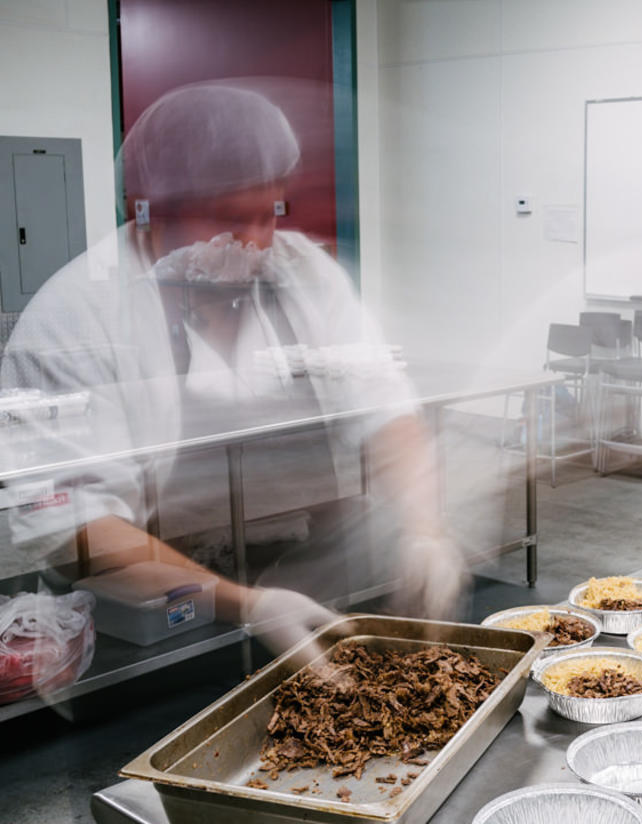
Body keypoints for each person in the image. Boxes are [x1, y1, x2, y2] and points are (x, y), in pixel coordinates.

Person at [0, 84, 464, 659]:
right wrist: (248, 604)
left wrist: (425, 530)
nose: (255, 241)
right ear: (144, 209)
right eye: (226, 219)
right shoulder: (74, 318)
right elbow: (74, 521)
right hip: (157, 617)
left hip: (320, 579)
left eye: (267, 214)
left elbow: (385, 409)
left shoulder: (304, 274)